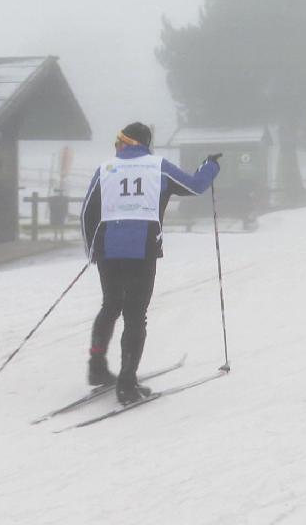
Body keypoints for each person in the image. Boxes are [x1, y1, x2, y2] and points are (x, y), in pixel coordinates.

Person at [80, 122, 220, 404]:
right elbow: (195, 187)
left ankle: (97, 367)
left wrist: (92, 249)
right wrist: (209, 166)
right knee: (135, 315)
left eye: (118, 141)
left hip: (109, 249)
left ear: (127, 142)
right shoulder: (159, 167)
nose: (116, 146)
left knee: (110, 304)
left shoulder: (106, 169)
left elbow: (87, 212)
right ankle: (127, 384)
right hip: (141, 249)